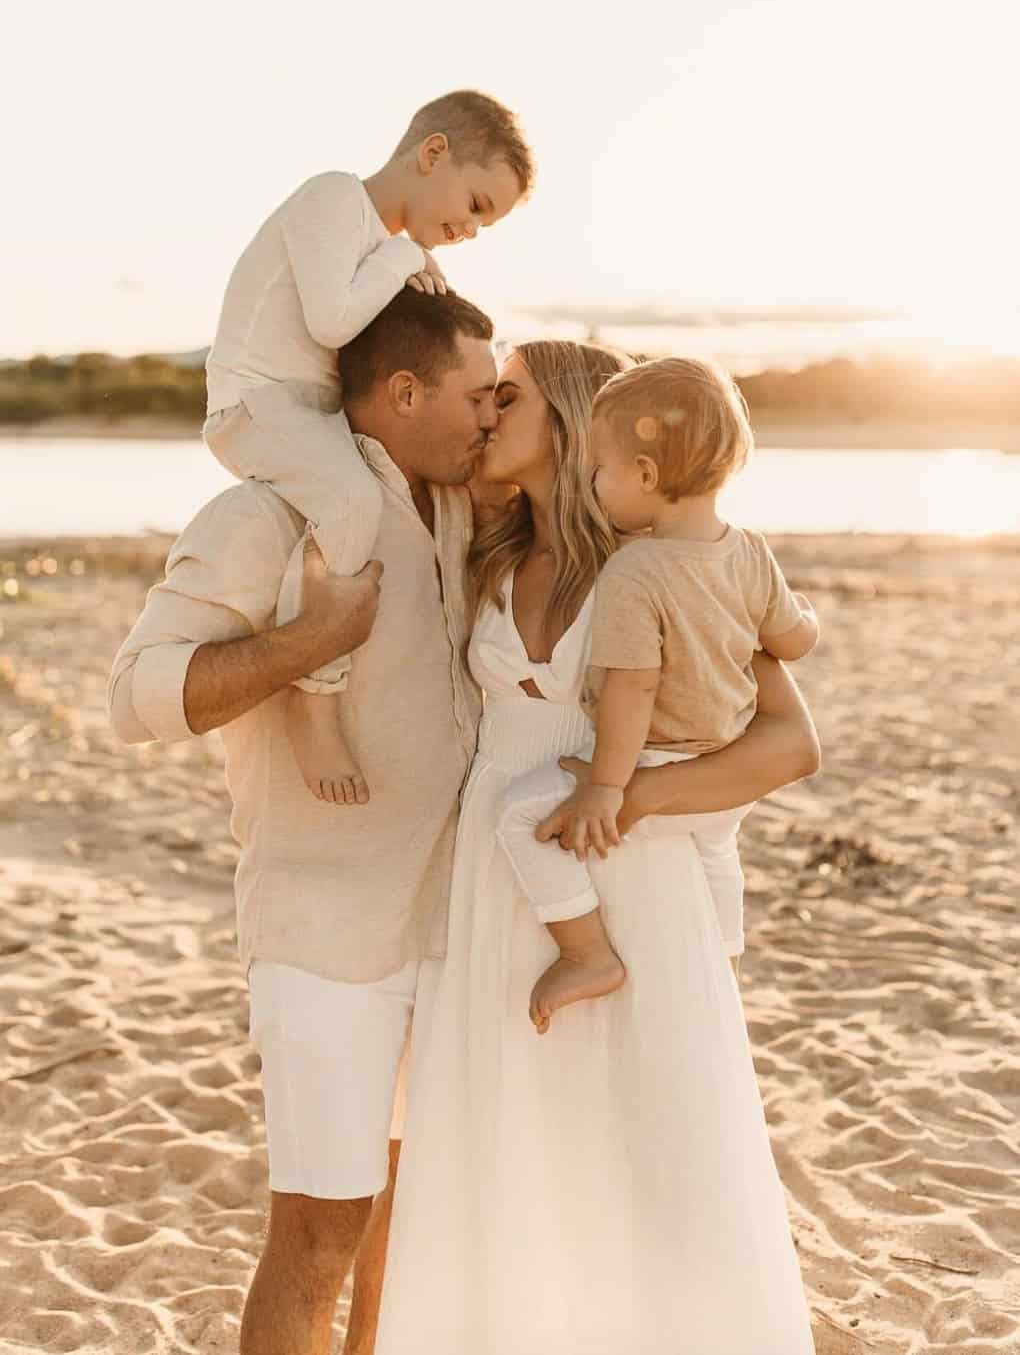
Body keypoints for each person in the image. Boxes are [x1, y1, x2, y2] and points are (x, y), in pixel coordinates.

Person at [373, 340, 819, 1354]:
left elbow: (791, 743)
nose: (486, 411)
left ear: (574, 422)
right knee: (509, 1144)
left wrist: (626, 797)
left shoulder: (663, 565)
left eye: (510, 395)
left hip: (627, 871)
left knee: (647, 1142)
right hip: (496, 883)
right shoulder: (482, 552)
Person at [108, 289, 498, 1355]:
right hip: (329, 938)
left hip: (456, 932)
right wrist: (307, 638)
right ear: (404, 391)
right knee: (323, 1229)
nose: (491, 415)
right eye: (476, 394)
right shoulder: (261, 516)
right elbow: (136, 695)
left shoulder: (464, 511)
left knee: (408, 1223)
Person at [203, 90, 532, 806]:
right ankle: (317, 696)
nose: (472, 230)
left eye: (486, 222)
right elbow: (331, 321)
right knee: (351, 498)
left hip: (314, 414)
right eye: (476, 204)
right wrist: (405, 255)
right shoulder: (332, 198)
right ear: (433, 153)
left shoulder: (387, 250)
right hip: (256, 402)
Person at [497, 356, 820, 1032]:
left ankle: (585, 952)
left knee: (520, 819)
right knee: (717, 858)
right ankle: (726, 961)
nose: (595, 482)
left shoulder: (635, 569)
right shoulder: (750, 551)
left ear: (644, 475)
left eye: (602, 469)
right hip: (723, 777)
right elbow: (791, 639)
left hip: (663, 765)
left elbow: (633, 689)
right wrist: (809, 620)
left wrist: (609, 790)